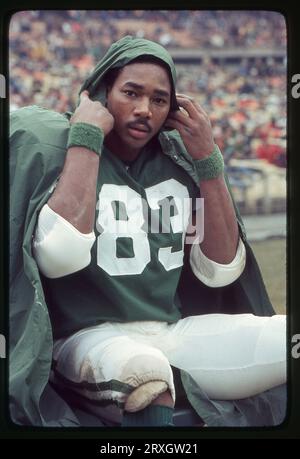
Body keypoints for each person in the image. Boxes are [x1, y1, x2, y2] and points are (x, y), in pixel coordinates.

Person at [9, 36, 286, 427]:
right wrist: (87, 138)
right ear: (101, 93)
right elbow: (59, 256)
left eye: (159, 100)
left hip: (170, 331)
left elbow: (221, 269)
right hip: (85, 338)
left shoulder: (177, 161)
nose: (144, 110)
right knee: (147, 374)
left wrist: (208, 161)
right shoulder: (67, 150)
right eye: (130, 93)